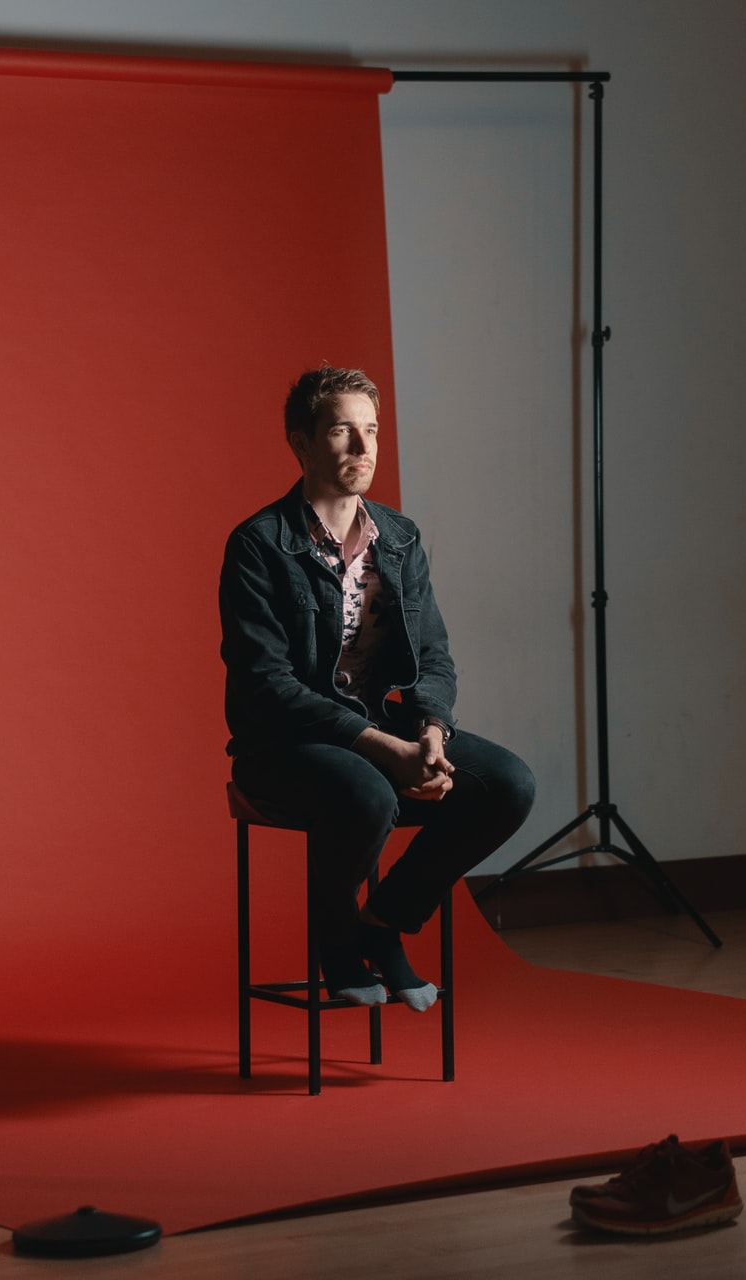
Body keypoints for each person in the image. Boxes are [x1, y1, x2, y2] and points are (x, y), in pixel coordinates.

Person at [219, 363, 535, 1011]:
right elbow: (267, 685)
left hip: (381, 726)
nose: (364, 450)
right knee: (366, 791)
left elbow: (434, 656)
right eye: (342, 432)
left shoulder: (398, 537)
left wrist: (429, 734)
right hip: (286, 745)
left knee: (508, 783)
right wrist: (385, 751)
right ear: (301, 442)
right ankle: (335, 942)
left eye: (373, 432)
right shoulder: (259, 545)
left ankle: (384, 924)